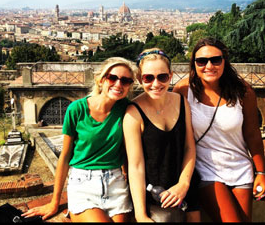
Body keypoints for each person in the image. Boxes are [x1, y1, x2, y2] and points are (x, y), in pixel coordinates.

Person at [22, 57, 135, 222]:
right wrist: (55, 202)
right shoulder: (77, 109)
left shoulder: (127, 109)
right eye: (113, 78)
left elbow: (126, 148)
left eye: (125, 80)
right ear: (101, 80)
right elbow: (65, 156)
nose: (118, 84)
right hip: (84, 183)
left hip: (115, 183)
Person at [173, 37, 265, 222]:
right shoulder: (183, 91)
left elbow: (253, 134)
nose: (209, 66)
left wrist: (261, 173)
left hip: (240, 169)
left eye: (215, 60)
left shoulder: (243, 92)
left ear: (224, 61)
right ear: (194, 64)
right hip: (206, 169)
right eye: (201, 61)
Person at [123, 48, 199, 222]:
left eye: (162, 77)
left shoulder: (181, 102)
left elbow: (189, 147)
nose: (156, 84)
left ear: (170, 76)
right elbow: (135, 166)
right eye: (148, 78)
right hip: (153, 194)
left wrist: (183, 184)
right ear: (139, 79)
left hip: (185, 187)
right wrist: (140, 214)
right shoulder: (133, 113)